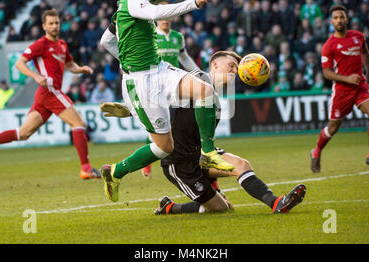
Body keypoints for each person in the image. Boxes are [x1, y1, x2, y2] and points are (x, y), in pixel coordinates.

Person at [101, 51, 306, 214]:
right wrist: (130, 108)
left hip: (198, 155)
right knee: (219, 208)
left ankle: (277, 203)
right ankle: (170, 208)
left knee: (242, 165)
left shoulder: (214, 100)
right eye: (231, 65)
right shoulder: (195, 80)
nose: (235, 70)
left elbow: (201, 138)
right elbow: (159, 95)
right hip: (179, 163)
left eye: (238, 67)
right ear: (215, 64)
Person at [98, 0, 233, 203]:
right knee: (164, 147)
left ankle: (208, 151)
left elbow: (106, 41)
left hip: (159, 70)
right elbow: (155, 13)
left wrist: (125, 59)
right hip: (142, 82)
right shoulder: (132, 0)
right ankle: (115, 171)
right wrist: (193, 3)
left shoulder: (126, 9)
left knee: (204, 91)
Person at [0, 9, 101, 180]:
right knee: (79, 123)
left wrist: (80, 69)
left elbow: (69, 65)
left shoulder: (61, 44)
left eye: (57, 23)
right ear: (44, 26)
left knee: (23, 133)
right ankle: (86, 168)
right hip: (50, 91)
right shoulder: (41, 44)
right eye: (51, 23)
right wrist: (36, 76)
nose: (55, 26)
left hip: (45, 95)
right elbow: (19, 63)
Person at [310, 5, 369, 173]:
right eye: (335, 18)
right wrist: (347, 78)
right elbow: (327, 73)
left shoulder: (358, 37)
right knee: (333, 128)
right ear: (331, 22)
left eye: (341, 17)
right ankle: (316, 151)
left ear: (347, 19)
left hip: (360, 87)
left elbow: (366, 53)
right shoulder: (329, 45)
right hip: (342, 91)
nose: (339, 20)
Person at [141, 0, 200, 179]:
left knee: (174, 125)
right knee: (159, 126)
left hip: (173, 86)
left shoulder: (177, 37)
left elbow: (184, 57)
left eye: (168, 16)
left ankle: (180, 157)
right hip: (155, 86)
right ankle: (147, 163)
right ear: (157, 18)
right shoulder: (151, 37)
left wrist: (198, 73)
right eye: (162, 17)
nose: (165, 20)